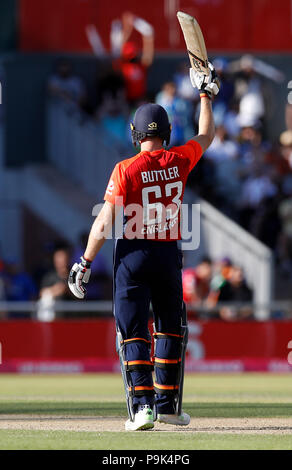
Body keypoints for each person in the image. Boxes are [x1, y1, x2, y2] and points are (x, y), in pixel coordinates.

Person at [68, 62, 219, 431]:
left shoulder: (125, 169)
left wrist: (84, 262)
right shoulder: (179, 160)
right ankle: (167, 404)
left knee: (133, 330)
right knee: (169, 328)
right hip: (168, 254)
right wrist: (205, 94)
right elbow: (207, 134)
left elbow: (104, 222)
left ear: (135, 134)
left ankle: (143, 409)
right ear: (167, 133)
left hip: (133, 254)